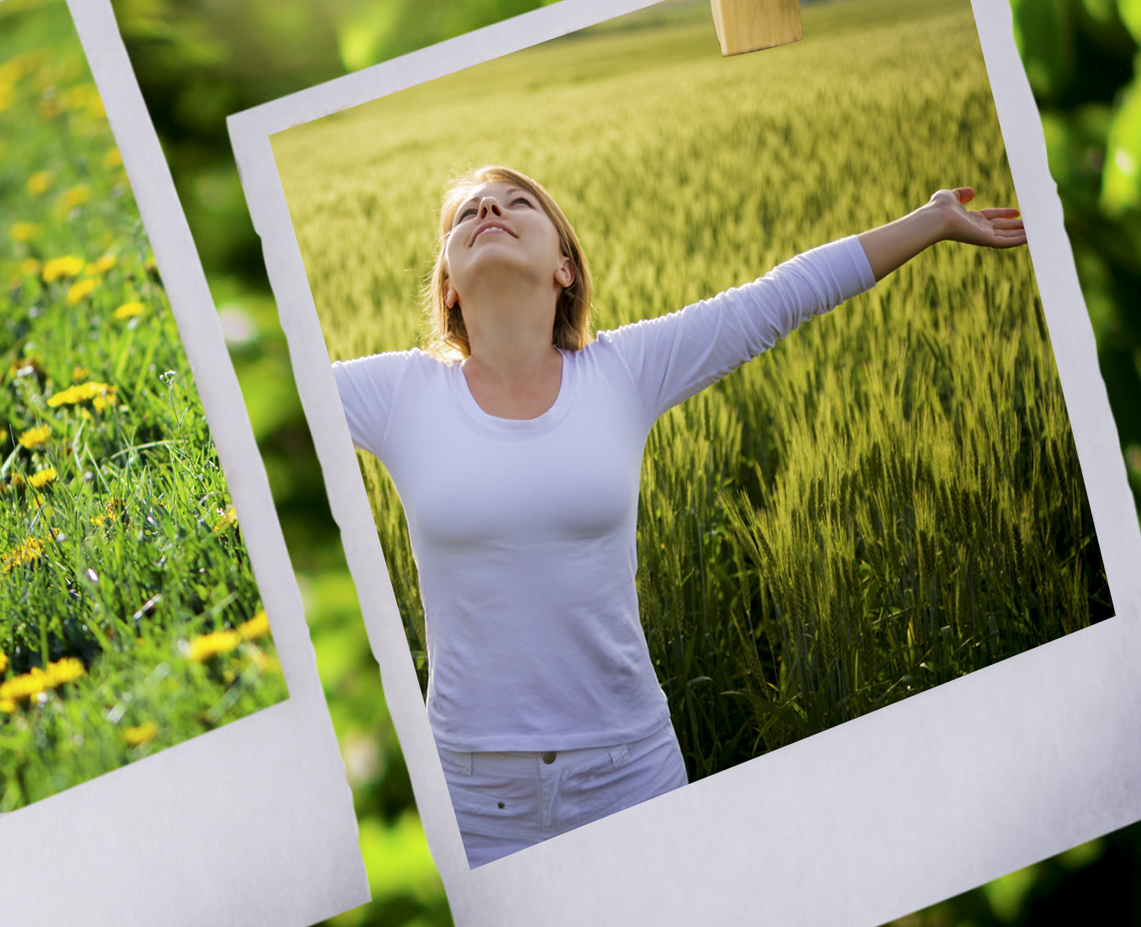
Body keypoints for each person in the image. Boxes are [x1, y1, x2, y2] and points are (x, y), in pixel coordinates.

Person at [335, 164, 1026, 867]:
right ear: (448, 285)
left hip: (630, 772)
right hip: (469, 796)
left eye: (517, 203)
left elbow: (775, 300)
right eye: (466, 214)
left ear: (564, 268)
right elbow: (249, 391)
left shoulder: (621, 372)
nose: (488, 210)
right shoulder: (401, 395)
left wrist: (934, 218)